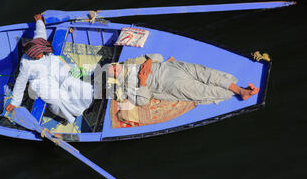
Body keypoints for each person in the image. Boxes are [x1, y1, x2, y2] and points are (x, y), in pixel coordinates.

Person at [5, 14, 93, 124]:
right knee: (56, 100)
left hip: (53, 67)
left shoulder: (39, 43)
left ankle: (85, 101)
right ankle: (72, 115)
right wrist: (14, 103)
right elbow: (20, 83)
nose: (40, 56)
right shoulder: (26, 64)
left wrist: (39, 21)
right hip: (42, 81)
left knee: (71, 82)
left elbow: (40, 32)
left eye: (41, 53)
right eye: (37, 56)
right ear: (31, 56)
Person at [107, 53, 259, 107]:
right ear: (114, 78)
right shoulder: (127, 86)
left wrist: (148, 61)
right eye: (114, 72)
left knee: (206, 73)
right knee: (203, 90)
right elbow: (142, 101)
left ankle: (239, 89)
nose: (116, 69)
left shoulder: (131, 62)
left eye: (113, 66)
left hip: (173, 67)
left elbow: (158, 56)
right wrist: (143, 81)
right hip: (168, 83)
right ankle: (240, 92)